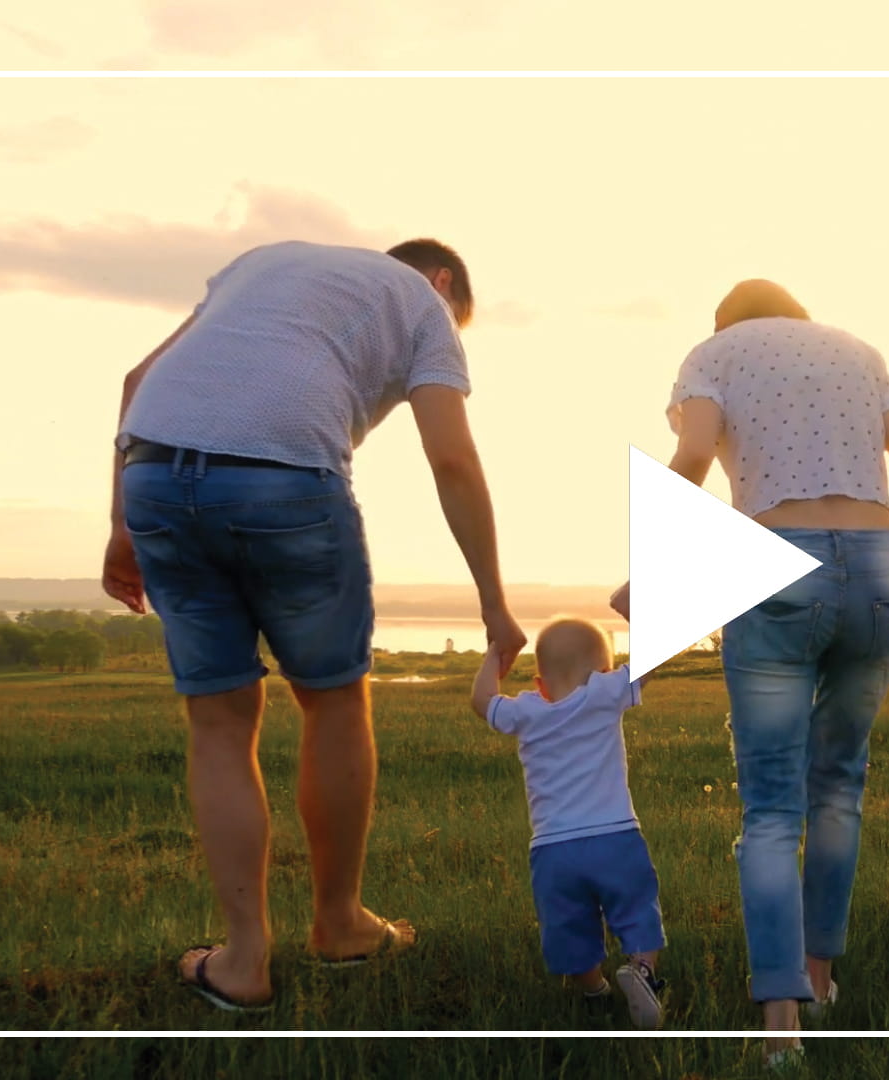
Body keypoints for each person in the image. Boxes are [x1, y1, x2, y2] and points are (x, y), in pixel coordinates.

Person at [100, 238, 527, 1012]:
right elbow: (453, 459)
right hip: (285, 480)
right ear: (442, 282)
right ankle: (339, 925)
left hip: (154, 472)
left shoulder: (267, 261)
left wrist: (121, 525)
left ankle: (243, 960)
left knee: (220, 721)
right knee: (332, 700)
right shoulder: (425, 303)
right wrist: (494, 603)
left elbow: (139, 380)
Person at [658, 278, 889, 1066]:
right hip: (884, 571)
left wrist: (650, 568)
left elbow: (692, 457)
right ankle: (822, 979)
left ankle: (781, 1025)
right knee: (840, 785)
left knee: (772, 809)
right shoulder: (859, 352)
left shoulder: (714, 354)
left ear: (727, 325)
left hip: (776, 568)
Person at [470, 609, 668, 1028]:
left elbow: (482, 700)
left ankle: (593, 989)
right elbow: (656, 658)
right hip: (616, 837)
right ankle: (642, 970)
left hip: (553, 849)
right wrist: (637, 612)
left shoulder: (525, 711)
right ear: (604, 671)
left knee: (569, 926)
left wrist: (495, 654)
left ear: (539, 683)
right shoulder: (603, 693)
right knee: (636, 908)